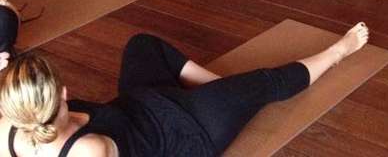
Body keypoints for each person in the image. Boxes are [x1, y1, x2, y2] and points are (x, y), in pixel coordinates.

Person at [0, 24, 369, 157]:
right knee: (263, 83)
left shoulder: (8, 129)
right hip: (185, 130)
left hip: (138, 104)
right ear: (63, 94)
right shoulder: (86, 152)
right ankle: (339, 52)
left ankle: (219, 88)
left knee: (142, 44)